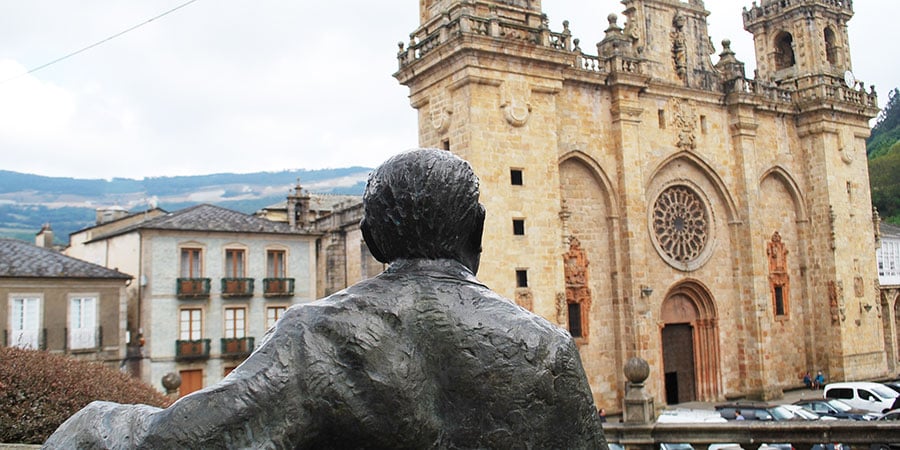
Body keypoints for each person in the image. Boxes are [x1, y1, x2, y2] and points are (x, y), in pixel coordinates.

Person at [45, 149, 607, 449]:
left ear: (372, 238)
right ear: (478, 231)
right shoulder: (549, 347)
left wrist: (96, 421)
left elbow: (191, 439)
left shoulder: (319, 334)